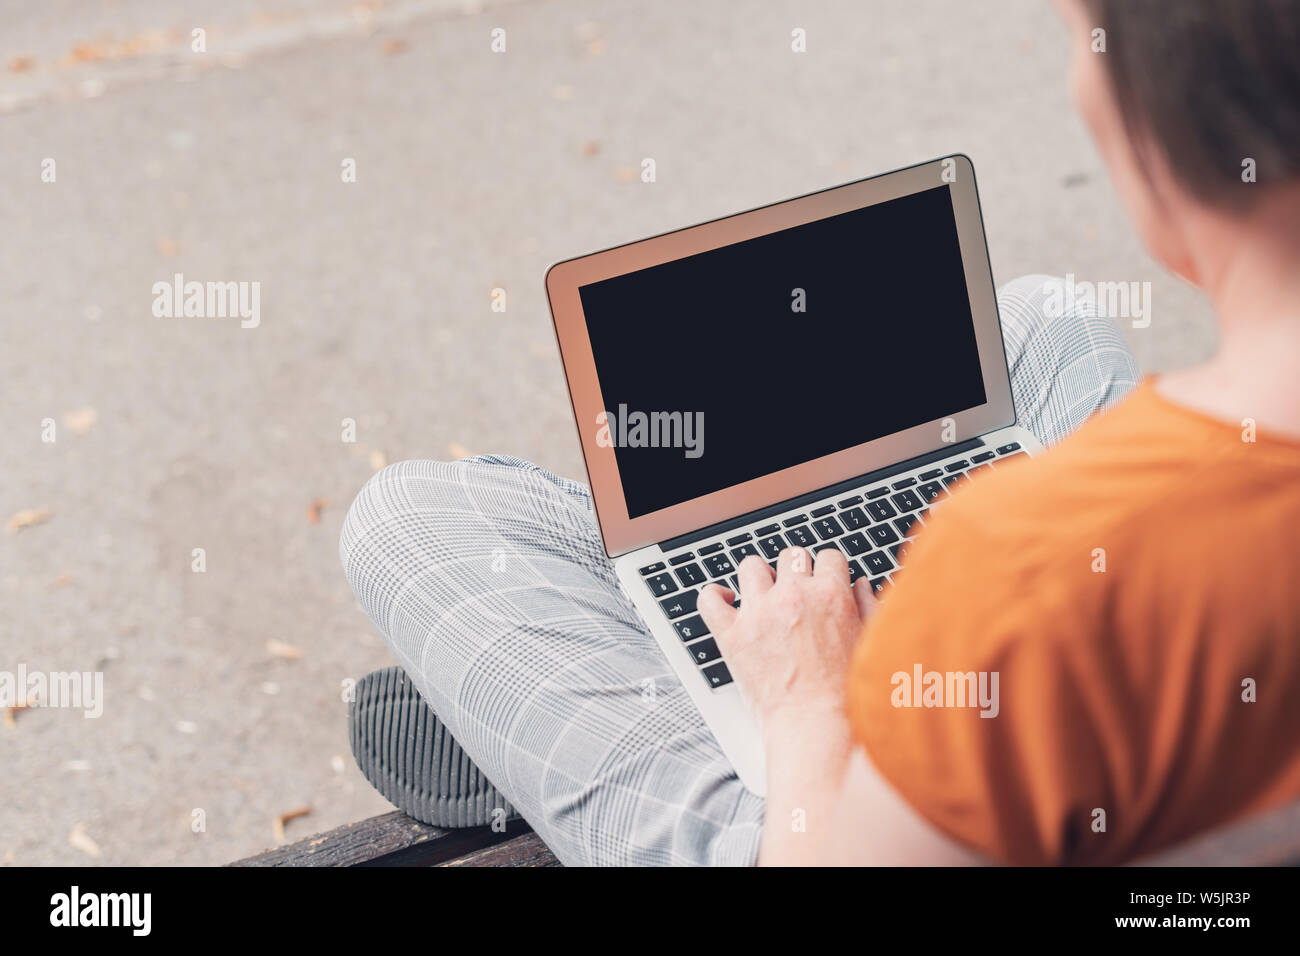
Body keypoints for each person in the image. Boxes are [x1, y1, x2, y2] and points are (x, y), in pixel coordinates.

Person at [341, 0, 1300, 865]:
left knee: (410, 519)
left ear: (1159, 124)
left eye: (1079, 42)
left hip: (839, 817)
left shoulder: (1010, 557)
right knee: (1040, 319)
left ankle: (580, 727)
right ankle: (571, 702)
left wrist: (807, 703)